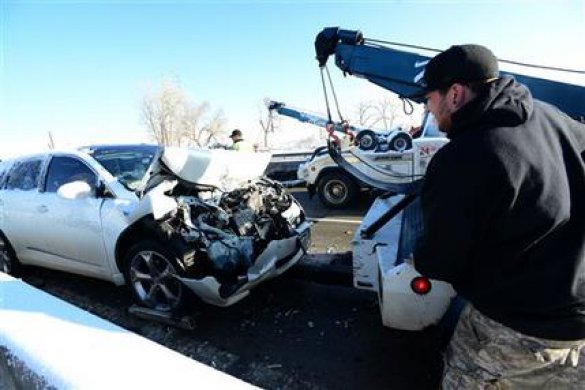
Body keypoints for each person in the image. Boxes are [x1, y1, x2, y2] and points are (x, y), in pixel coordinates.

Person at [411, 44, 585, 388]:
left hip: (514, 332)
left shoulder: (460, 159)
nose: (431, 113)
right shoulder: (556, 119)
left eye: (429, 100)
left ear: (455, 94)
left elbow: (440, 261)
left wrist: (420, 259)